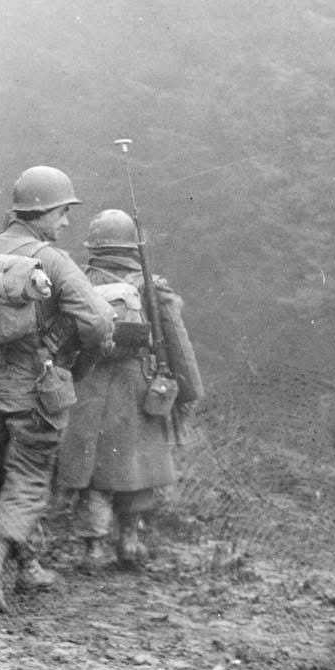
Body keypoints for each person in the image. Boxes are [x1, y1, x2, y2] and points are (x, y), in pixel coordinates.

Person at [0, 166, 114, 613]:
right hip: (35, 388)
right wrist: (77, 358)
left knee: (9, 471)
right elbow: (99, 322)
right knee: (30, 478)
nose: (66, 222)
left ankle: (30, 564)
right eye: (62, 212)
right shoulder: (52, 260)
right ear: (41, 212)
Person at [57, 209, 204, 570]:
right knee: (134, 468)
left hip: (85, 383)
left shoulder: (75, 283)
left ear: (93, 246)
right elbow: (178, 344)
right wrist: (189, 391)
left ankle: (92, 549)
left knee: (92, 471)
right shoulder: (152, 287)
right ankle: (130, 540)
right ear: (133, 247)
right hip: (136, 387)